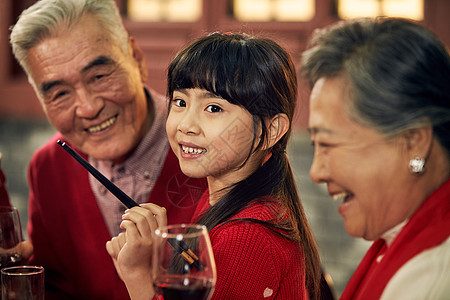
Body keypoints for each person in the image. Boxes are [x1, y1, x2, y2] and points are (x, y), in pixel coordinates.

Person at [9, 0, 206, 298]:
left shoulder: (211, 150)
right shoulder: (48, 167)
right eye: (60, 93)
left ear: (137, 59)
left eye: (99, 77)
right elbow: (52, 288)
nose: (88, 108)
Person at [106, 32, 323, 299]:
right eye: (180, 102)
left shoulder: (246, 240)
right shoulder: (221, 199)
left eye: (213, 108)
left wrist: (137, 273)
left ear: (271, 129)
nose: (186, 125)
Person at [301, 18, 450, 299]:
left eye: (328, 144)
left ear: (414, 141)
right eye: (314, 145)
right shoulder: (400, 237)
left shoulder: (430, 278)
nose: (316, 172)